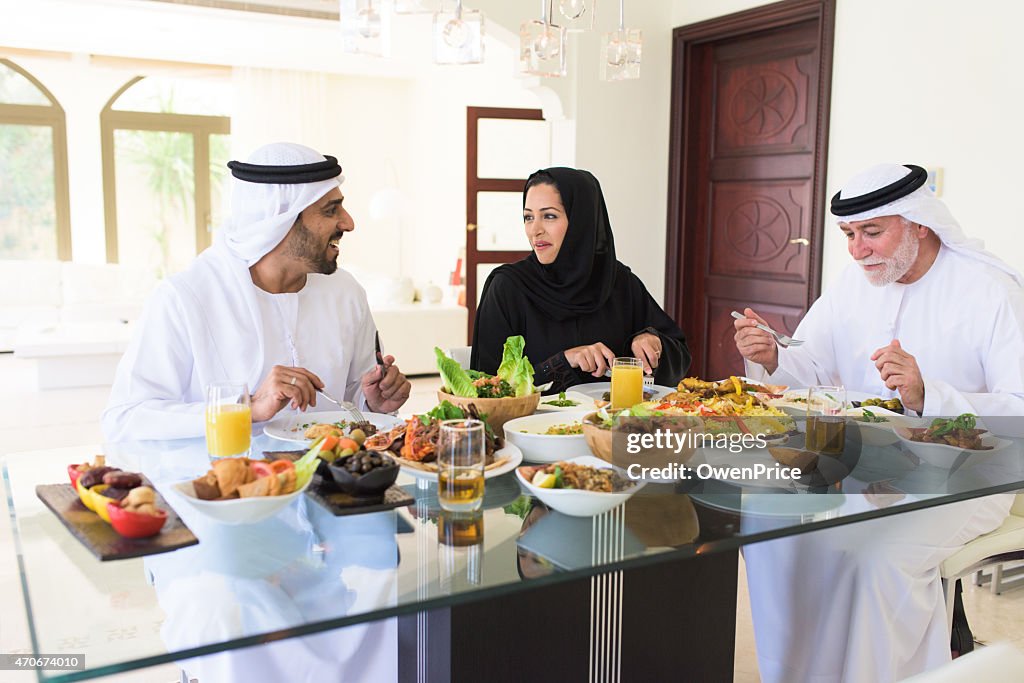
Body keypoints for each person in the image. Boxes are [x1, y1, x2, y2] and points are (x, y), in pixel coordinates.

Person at [734, 163, 1024, 682]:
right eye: (849, 234)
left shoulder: (989, 290)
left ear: (919, 224)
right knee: (770, 523)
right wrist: (773, 356)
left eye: (871, 232)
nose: (856, 249)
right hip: (862, 462)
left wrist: (925, 393)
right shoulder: (853, 284)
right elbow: (813, 367)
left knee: (874, 559)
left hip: (968, 475)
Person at [103, 143, 411, 442]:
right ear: (280, 220)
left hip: (335, 485)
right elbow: (125, 417)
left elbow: (351, 400)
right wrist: (244, 408)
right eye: (331, 210)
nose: (349, 222)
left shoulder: (346, 292)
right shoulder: (185, 297)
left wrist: (374, 403)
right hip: (225, 486)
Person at [470, 167, 691, 393]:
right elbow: (487, 389)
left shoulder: (619, 282)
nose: (534, 230)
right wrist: (564, 361)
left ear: (581, 220)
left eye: (549, 216)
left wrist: (653, 342)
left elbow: (680, 359)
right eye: (528, 217)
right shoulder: (508, 287)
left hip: (614, 425)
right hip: (532, 426)